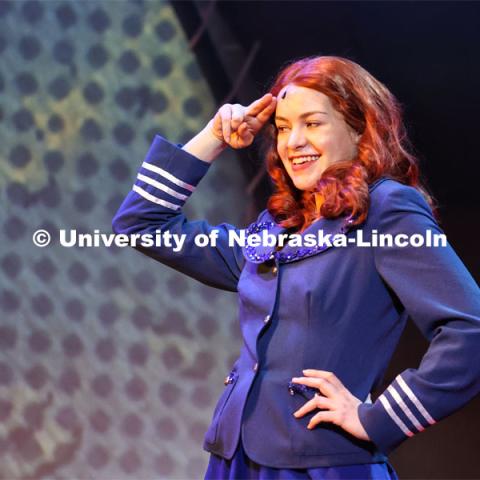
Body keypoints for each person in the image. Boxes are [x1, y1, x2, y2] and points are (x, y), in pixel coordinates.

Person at [112, 56, 480, 479]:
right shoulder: (278, 227)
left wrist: (378, 418)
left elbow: (470, 329)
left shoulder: (386, 209)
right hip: (236, 460)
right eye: (284, 127)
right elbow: (141, 225)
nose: (293, 141)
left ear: (359, 128)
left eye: (313, 123)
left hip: (321, 463)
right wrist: (213, 137)